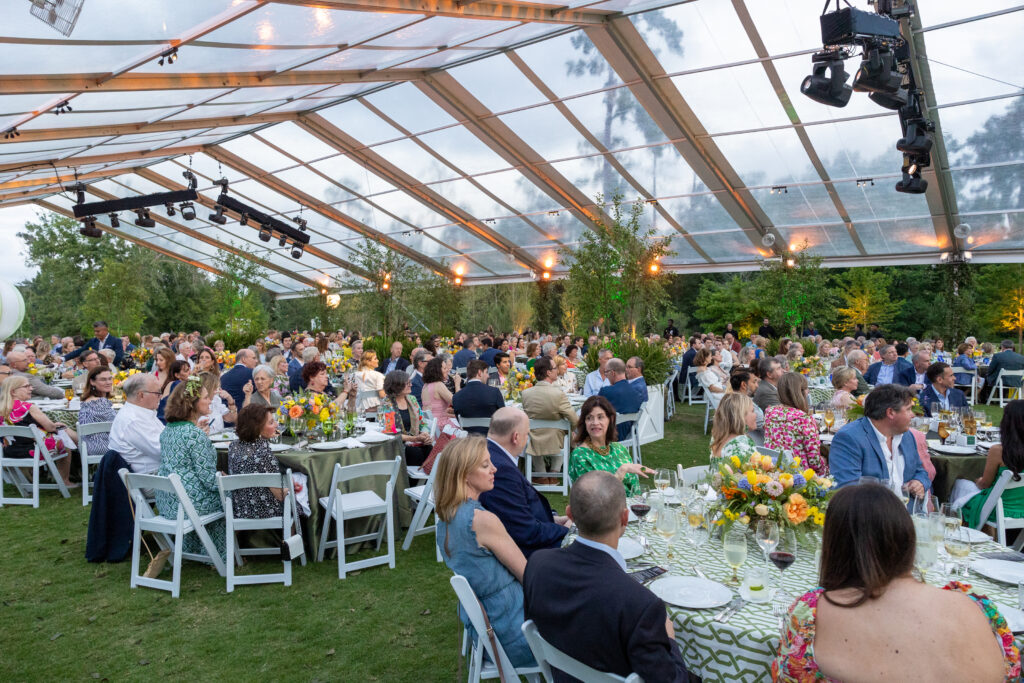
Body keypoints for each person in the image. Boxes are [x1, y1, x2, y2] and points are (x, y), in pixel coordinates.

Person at [773, 482, 1019, 682]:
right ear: (908, 539)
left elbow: (789, 675)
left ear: (834, 547)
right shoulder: (977, 609)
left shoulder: (812, 615)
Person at [524, 470, 689, 683]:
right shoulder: (641, 604)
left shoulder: (538, 565)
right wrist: (670, 639)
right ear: (625, 518)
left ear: (570, 514)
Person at [434, 437, 535, 668]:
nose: (494, 469)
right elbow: (528, 576)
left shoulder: (445, 520)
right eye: (485, 464)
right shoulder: (481, 520)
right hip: (516, 633)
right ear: (464, 474)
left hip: (489, 633)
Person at [479, 407, 572, 557]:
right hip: (530, 552)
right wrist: (567, 530)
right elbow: (525, 532)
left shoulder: (492, 455)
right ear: (516, 437)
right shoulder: (499, 469)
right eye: (527, 434)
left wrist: (554, 520)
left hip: (532, 536)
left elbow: (516, 513)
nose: (527, 440)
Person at [157, 376, 225, 560]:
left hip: (167, 502)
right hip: (188, 505)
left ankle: (194, 549)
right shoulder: (194, 435)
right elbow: (209, 480)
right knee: (230, 495)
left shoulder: (168, 430)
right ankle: (219, 555)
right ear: (192, 403)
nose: (210, 400)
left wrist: (197, 430)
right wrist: (224, 478)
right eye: (206, 397)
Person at [829, 383, 931, 498]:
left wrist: (920, 482)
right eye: (908, 409)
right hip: (870, 508)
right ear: (890, 412)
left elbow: (920, 471)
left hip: (907, 507)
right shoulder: (849, 438)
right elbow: (847, 489)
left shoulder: (906, 436)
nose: (913, 415)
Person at [951, 401, 1024, 531]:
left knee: (959, 484)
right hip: (1021, 508)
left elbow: (985, 484)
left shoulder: (999, 451)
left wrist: (978, 480)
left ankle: (958, 532)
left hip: (999, 509)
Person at [0, 376, 78, 488]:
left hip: (8, 452)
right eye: (26, 386)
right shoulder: (28, 407)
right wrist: (56, 425)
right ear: (13, 391)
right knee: (64, 442)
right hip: (34, 452)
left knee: (61, 433)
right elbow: (50, 427)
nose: (31, 388)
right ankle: (65, 481)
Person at [569, 396, 651, 496]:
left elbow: (635, 487)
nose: (595, 423)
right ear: (584, 423)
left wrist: (639, 502)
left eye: (600, 417)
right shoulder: (580, 456)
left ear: (610, 420)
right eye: (589, 418)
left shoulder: (619, 449)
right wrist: (621, 471)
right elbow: (594, 497)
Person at [522, 357, 579, 485]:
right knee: (567, 434)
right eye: (555, 368)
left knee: (532, 434)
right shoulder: (558, 394)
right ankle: (554, 473)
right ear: (548, 372)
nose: (557, 370)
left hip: (534, 437)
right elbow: (574, 419)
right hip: (557, 438)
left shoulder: (526, 394)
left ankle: (542, 475)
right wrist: (571, 430)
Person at [227, 404, 285, 521]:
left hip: (240, 510)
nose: (276, 424)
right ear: (257, 428)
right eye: (271, 422)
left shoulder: (233, 446)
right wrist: (292, 487)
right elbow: (280, 495)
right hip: (266, 512)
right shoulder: (263, 452)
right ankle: (294, 532)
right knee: (299, 499)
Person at [764, 372, 826, 475]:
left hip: (773, 470)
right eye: (806, 388)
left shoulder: (769, 413)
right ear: (800, 392)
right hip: (799, 475)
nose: (808, 391)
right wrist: (824, 468)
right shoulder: (804, 419)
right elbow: (814, 460)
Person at [108, 373, 164, 474]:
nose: (161, 397)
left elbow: (165, 437)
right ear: (141, 395)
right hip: (152, 478)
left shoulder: (140, 412)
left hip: (158, 472)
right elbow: (163, 451)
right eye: (157, 393)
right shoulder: (134, 419)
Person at [380, 370, 433, 467]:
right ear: (397, 386)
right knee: (414, 452)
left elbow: (423, 423)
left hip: (415, 441)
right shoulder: (387, 404)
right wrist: (414, 438)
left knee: (429, 447)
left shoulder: (412, 399)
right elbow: (391, 433)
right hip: (397, 445)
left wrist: (425, 434)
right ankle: (411, 477)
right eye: (407, 383)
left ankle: (427, 475)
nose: (411, 385)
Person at [598, 358, 643, 442]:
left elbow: (595, 411)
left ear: (612, 373)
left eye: (606, 373)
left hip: (609, 435)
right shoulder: (636, 392)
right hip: (629, 433)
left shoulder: (606, 391)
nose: (606, 376)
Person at [78, 365, 116, 457]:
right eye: (103, 380)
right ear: (92, 382)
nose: (108, 382)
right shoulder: (100, 403)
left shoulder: (87, 401)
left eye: (110, 379)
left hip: (88, 446)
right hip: (104, 447)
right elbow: (117, 424)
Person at [710, 392, 759, 463]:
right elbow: (752, 468)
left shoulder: (718, 437)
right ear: (741, 416)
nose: (756, 414)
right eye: (752, 411)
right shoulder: (742, 443)